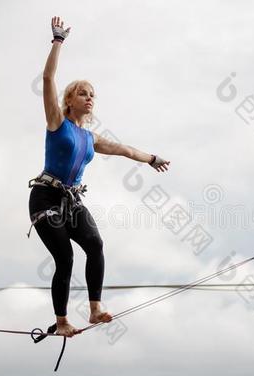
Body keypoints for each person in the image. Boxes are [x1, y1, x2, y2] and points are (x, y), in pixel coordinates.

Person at [27, 16, 171, 338]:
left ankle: (94, 309)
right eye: (82, 93)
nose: (89, 98)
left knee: (95, 244)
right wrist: (58, 41)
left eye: (92, 94)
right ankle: (62, 321)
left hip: (71, 201)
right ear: (69, 100)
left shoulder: (91, 138)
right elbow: (49, 78)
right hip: (45, 197)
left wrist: (151, 159)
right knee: (65, 257)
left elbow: (123, 149)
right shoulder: (56, 122)